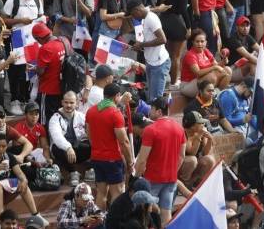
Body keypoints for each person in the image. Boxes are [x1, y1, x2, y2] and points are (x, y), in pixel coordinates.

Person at [135, 97, 186, 227]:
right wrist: (173, 171)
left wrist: (136, 175)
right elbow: (182, 155)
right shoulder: (179, 128)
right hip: (171, 178)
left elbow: (142, 158)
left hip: (152, 178)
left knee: (145, 212)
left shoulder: (151, 130)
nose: (150, 112)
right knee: (166, 213)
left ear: (158, 111)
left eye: (152, 109)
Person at [0, 134, 47, 223]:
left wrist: (24, 180)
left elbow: (20, 174)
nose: (1, 149)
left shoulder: (9, 156)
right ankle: (2, 219)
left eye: (4, 146)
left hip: (2, 193)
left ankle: (36, 215)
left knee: (22, 184)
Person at [85, 83, 133, 210]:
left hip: (96, 157)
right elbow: (124, 142)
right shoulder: (116, 114)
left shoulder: (91, 111)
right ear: (117, 96)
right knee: (117, 193)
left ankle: (99, 223)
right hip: (112, 158)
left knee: (101, 194)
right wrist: (130, 161)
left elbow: (88, 134)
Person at [126, 0, 169, 102]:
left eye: (132, 14)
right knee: (151, 97)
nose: (133, 17)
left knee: (156, 99)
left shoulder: (151, 18)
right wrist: (139, 46)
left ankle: (158, 118)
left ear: (137, 10)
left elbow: (163, 39)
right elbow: (151, 39)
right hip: (151, 62)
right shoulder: (145, 18)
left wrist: (142, 44)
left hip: (159, 64)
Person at [49, 92, 91, 187]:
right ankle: (73, 172)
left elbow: (90, 133)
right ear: (62, 102)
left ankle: (90, 168)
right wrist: (68, 148)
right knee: (57, 148)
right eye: (66, 102)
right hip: (64, 150)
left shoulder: (82, 116)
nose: (68, 105)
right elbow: (57, 137)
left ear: (77, 103)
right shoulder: (55, 118)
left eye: (71, 103)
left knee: (93, 144)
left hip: (76, 148)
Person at [180, 29, 232, 98]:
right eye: (197, 41)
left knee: (227, 70)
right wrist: (214, 67)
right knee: (211, 77)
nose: (200, 44)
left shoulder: (205, 51)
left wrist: (223, 61)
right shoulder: (190, 55)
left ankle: (217, 95)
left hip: (201, 81)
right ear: (193, 42)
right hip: (187, 86)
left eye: (202, 41)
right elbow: (198, 73)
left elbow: (216, 65)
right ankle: (208, 97)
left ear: (206, 42)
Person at [32, 22, 65, 124]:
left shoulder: (46, 48)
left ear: (39, 38)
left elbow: (40, 72)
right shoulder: (62, 42)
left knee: (44, 122)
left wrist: (35, 68)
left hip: (47, 91)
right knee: (58, 121)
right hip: (60, 89)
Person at [179, 111, 216, 187]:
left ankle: (195, 183)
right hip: (181, 166)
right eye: (200, 123)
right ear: (192, 126)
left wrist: (209, 139)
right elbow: (192, 153)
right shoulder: (182, 134)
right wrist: (198, 137)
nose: (203, 125)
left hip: (194, 165)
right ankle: (182, 184)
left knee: (209, 159)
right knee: (192, 160)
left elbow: (205, 153)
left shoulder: (200, 132)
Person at [13, 101, 53, 166]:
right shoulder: (18, 127)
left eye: (36, 114)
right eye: (31, 114)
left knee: (48, 164)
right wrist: (33, 163)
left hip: (34, 153)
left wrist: (47, 159)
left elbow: (45, 146)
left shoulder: (40, 127)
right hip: (23, 155)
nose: (34, 116)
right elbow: (17, 149)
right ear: (25, 115)